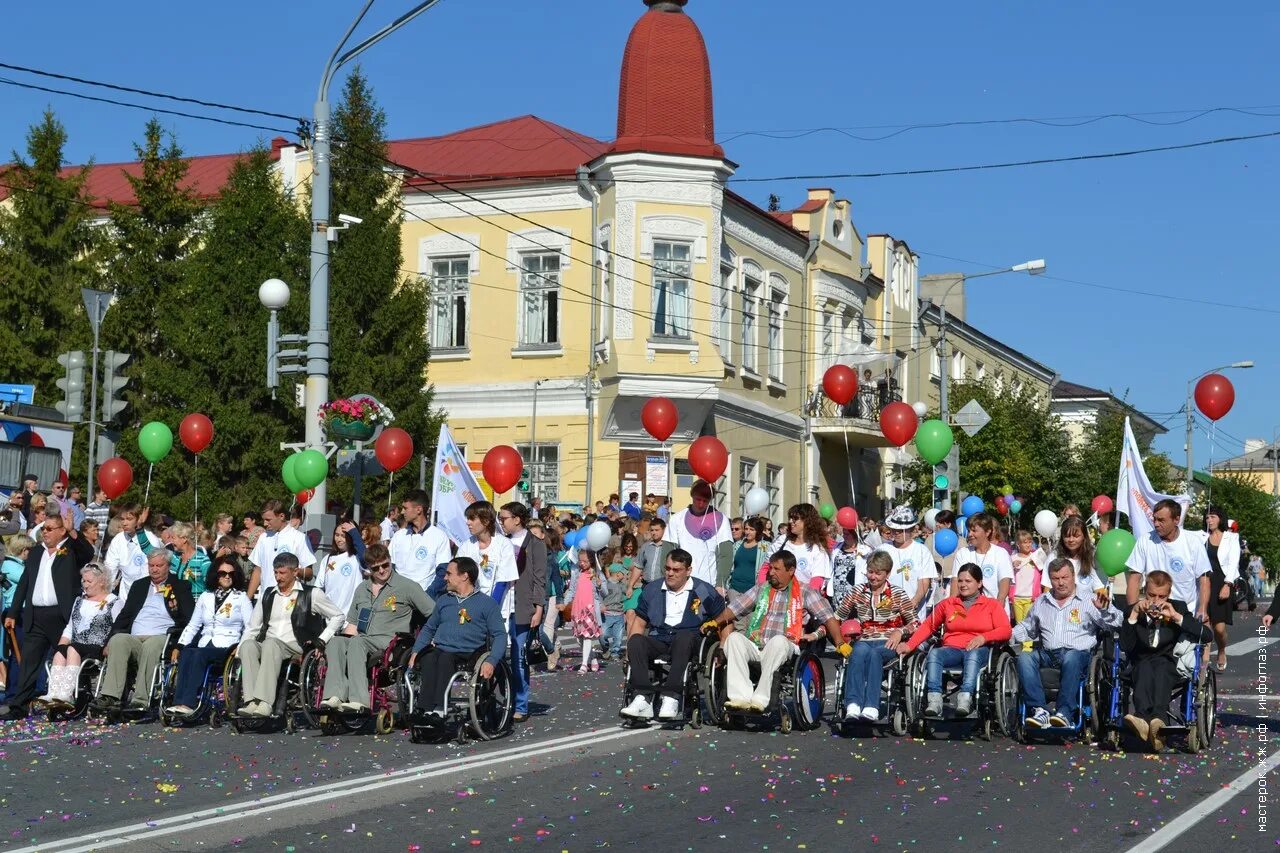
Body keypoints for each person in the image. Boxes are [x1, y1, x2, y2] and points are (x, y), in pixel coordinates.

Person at [711, 550, 849, 712]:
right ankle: (740, 698)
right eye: (770, 568)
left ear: (791, 571)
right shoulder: (762, 588)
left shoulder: (806, 592)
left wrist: (839, 642)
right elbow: (735, 608)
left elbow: (828, 618)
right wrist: (715, 622)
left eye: (776, 569)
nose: (771, 573)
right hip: (757, 644)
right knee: (734, 638)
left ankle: (761, 700)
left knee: (778, 641)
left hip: (787, 646)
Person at [0, 510, 96, 719]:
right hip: (36, 615)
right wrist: (14, 611)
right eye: (43, 528)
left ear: (61, 531)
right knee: (29, 661)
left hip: (61, 615)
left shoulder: (70, 550)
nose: (45, 532)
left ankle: (72, 699)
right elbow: (25, 582)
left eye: (50, 529)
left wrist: (74, 532)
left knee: (66, 657)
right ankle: (19, 706)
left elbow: (88, 554)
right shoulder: (36, 552)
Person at [320, 542, 433, 712]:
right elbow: (352, 624)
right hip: (363, 638)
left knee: (358, 643)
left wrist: (430, 637)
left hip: (391, 641)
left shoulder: (407, 586)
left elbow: (433, 612)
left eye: (385, 565)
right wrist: (340, 642)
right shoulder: (361, 588)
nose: (381, 570)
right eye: (375, 568)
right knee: (336, 642)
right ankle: (335, 696)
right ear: (368, 569)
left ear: (390, 560)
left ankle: (359, 701)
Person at [1010, 557, 1122, 729]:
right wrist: (1006, 635)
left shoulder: (1089, 600)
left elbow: (1117, 623)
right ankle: (1040, 710)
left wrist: (1104, 610)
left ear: (1073, 576)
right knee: (1025, 657)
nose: (1061, 583)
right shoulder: (1042, 601)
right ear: (1050, 580)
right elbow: (1027, 629)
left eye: (1065, 577)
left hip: (1079, 655)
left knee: (1071, 657)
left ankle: (1064, 712)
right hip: (1048, 654)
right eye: (1056, 579)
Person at [620, 547, 727, 721]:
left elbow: (724, 620)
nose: (670, 573)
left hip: (689, 640)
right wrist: (628, 652)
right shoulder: (653, 589)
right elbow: (639, 623)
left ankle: (671, 696)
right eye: (667, 568)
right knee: (636, 641)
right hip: (660, 638)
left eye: (676, 570)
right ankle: (643, 698)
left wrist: (723, 647)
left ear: (688, 571)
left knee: (684, 637)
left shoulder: (703, 590)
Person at [235, 553, 344, 717]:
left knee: (271, 644)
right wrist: (239, 651)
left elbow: (338, 616)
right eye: (275, 573)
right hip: (269, 645)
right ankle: (252, 702)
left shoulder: (311, 594)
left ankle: (265, 702)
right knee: (249, 646)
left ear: (295, 572)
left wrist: (323, 639)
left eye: (282, 573)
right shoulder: (268, 594)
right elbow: (253, 627)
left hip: (295, 646)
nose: (278, 578)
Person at [900, 563, 1012, 718]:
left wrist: (983, 637)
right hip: (952, 649)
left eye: (968, 581)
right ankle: (935, 699)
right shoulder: (948, 604)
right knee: (935, 654)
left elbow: (1006, 630)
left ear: (979, 583)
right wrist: (909, 645)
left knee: (972, 655)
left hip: (980, 650)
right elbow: (927, 626)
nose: (963, 585)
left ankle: (966, 698)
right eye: (960, 581)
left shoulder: (991, 605)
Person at [1120, 570, 1212, 751]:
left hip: (1168, 661)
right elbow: (1125, 645)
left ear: (1168, 595)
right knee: (1145, 667)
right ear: (1144, 591)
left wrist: (1177, 617)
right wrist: (1133, 616)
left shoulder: (1177, 607)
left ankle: (1157, 721)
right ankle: (1144, 719)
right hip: (1141, 661)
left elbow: (1206, 635)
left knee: (1161, 668)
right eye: (1151, 595)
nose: (1156, 600)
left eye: (1161, 596)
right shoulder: (1134, 611)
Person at [93, 550, 195, 712]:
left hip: (161, 637)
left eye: (159, 566)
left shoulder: (180, 586)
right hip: (136, 637)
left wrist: (179, 645)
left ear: (168, 566)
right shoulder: (139, 585)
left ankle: (140, 699)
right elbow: (124, 616)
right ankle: (111, 696)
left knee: (152, 644)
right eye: (151, 565)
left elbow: (189, 619)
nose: (154, 569)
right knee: (118, 640)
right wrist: (108, 642)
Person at [408, 557, 506, 719]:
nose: (444, 578)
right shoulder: (444, 600)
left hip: (468, 652)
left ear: (464, 576)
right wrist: (416, 650)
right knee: (428, 657)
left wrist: (492, 660)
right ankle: (425, 709)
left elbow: (500, 634)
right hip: (440, 648)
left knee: (445, 659)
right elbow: (429, 628)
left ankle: (439, 708)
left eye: (449, 574)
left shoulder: (486, 603)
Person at [165, 556, 253, 717]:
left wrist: (241, 647)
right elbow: (193, 625)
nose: (227, 577)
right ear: (215, 574)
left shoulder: (241, 598)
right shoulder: (206, 597)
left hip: (227, 647)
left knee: (198, 654)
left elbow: (250, 628)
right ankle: (178, 702)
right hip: (206, 643)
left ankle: (188, 703)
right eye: (223, 573)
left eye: (231, 574)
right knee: (188, 653)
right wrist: (179, 646)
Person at [835, 551, 916, 721]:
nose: (873, 577)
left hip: (888, 641)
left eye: (878, 573)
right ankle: (853, 705)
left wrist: (900, 631)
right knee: (857, 652)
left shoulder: (898, 594)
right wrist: (816, 634)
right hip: (865, 639)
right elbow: (836, 618)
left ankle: (872, 706)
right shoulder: (857, 591)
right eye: (870, 572)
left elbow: (916, 623)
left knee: (875, 654)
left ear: (887, 573)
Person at [36, 563, 117, 709]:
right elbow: (70, 628)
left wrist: (110, 646)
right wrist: (61, 646)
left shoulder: (113, 601)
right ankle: (54, 693)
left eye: (89, 581)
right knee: (60, 652)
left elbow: (118, 628)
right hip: (77, 646)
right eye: (83, 581)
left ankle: (67, 694)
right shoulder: (79, 601)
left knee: (72, 648)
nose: (85, 585)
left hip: (98, 646)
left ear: (102, 581)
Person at [1125, 499, 1210, 623]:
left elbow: (1204, 579)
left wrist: (1202, 609)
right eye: (1155, 519)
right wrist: (1133, 611)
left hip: (1185, 611)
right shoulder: (1145, 541)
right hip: (1155, 611)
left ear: (1176, 520)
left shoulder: (1193, 542)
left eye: (1161, 520)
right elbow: (1134, 578)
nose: (1156, 524)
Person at [499, 502, 545, 722]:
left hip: (522, 606)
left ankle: (520, 705)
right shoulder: (501, 542)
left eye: (504, 518)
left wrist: (539, 607)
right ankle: (501, 699)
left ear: (517, 519)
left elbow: (539, 578)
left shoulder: (534, 544)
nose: (501, 522)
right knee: (498, 655)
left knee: (518, 657)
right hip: (501, 605)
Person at [663, 480, 733, 588]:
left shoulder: (720, 520)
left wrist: (720, 584)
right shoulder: (677, 519)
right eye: (698, 499)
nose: (701, 504)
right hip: (680, 584)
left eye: (705, 501)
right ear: (692, 495)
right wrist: (666, 581)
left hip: (709, 584)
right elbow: (667, 553)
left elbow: (725, 555)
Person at [457, 501, 519, 621]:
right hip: (469, 610)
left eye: (472, 519)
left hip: (495, 610)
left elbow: (502, 582)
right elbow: (458, 579)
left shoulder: (504, 544)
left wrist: (488, 610)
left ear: (485, 521)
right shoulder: (466, 546)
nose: (467, 522)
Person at [874, 506, 937, 618]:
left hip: (913, 613)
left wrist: (913, 603)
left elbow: (924, 582)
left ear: (911, 529)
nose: (896, 533)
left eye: (900, 530)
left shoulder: (922, 551)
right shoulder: (882, 549)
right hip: (886, 612)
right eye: (894, 529)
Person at [247, 499, 317, 599]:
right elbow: (258, 570)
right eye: (264, 520)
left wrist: (295, 571)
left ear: (281, 516)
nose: (265, 523)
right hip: (265, 599)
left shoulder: (299, 537)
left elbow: (309, 573)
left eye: (268, 520)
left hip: (289, 600)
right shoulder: (263, 537)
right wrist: (247, 600)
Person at [389, 490, 452, 598]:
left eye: (405, 508)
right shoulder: (398, 536)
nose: (402, 512)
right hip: (398, 600)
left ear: (419, 509)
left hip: (425, 600)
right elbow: (390, 567)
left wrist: (427, 596)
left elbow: (443, 572)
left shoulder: (439, 536)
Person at [137, 512, 210, 598]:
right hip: (174, 605)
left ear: (184, 539)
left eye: (174, 538)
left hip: (195, 607)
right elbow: (148, 549)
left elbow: (210, 585)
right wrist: (139, 528)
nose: (171, 541)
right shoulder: (173, 557)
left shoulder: (203, 561)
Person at [1202, 505, 1240, 672]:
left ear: (1220, 519)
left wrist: (1228, 584)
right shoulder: (1201, 537)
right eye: (1207, 517)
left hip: (1222, 582)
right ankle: (1204, 663)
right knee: (1205, 623)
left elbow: (1233, 562)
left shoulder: (1231, 538)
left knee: (1219, 628)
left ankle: (1222, 649)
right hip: (1205, 581)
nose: (1209, 520)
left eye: (1213, 517)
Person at [950, 512, 1013, 606]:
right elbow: (955, 581)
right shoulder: (963, 553)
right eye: (968, 530)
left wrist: (1000, 603)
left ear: (987, 532)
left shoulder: (1000, 553)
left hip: (993, 609)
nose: (970, 534)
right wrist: (951, 605)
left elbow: (1004, 581)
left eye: (974, 531)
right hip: (968, 611)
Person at [1041, 515, 1107, 601]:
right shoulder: (1053, 557)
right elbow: (1047, 589)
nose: (1071, 540)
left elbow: (1100, 589)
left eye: (1076, 536)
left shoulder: (1093, 557)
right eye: (1067, 536)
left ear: (1084, 536)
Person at [773, 504, 833, 595]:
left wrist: (802, 600)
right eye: (790, 518)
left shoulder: (817, 549)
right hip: (776, 596)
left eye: (795, 519)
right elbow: (765, 567)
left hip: (800, 600)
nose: (790, 521)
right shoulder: (782, 541)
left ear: (807, 521)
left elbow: (816, 581)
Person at [0, 534, 33, 693]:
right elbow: (30, 580)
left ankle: (17, 687)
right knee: (17, 651)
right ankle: (13, 690)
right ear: (24, 550)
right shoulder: (10, 565)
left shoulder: (18, 565)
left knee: (22, 650)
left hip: (22, 611)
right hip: (15, 612)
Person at [568, 547, 605, 672]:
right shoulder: (576, 573)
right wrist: (565, 602)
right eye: (580, 561)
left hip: (590, 609)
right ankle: (593, 657)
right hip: (578, 609)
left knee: (587, 636)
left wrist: (600, 585)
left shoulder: (597, 573)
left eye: (585, 561)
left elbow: (605, 592)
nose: (582, 563)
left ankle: (584, 664)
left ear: (592, 561)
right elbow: (572, 590)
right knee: (579, 638)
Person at [103, 502, 146, 599]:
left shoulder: (150, 540)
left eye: (129, 519)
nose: (124, 523)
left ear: (139, 519)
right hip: (123, 595)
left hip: (144, 595)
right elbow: (110, 567)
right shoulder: (118, 539)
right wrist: (106, 595)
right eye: (122, 519)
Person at [729, 518, 769, 600]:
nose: (747, 532)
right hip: (734, 588)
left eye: (751, 529)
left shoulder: (765, 546)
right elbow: (730, 566)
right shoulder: (737, 545)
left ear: (758, 531)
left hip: (753, 590)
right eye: (746, 529)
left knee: (750, 613)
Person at [830, 521, 867, 609]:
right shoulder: (837, 547)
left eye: (847, 534)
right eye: (844, 533)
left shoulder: (865, 550)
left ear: (854, 534)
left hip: (854, 591)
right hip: (837, 591)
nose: (844, 536)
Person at [635, 517, 675, 587]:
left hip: (663, 585)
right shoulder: (645, 546)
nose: (654, 532)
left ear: (664, 530)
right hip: (646, 585)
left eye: (657, 530)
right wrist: (630, 585)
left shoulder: (671, 547)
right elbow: (638, 567)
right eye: (652, 530)